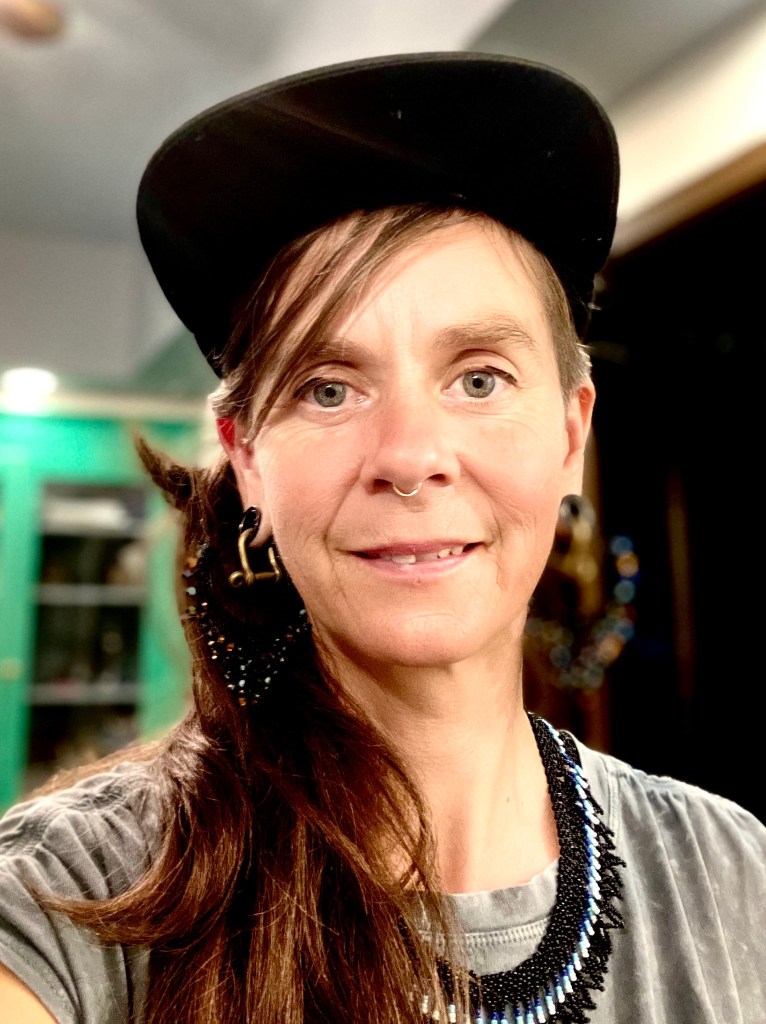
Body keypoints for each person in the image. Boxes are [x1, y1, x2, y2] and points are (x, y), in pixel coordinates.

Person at [0, 53, 763, 1024]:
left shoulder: (736, 873)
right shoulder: (70, 900)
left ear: (571, 434)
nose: (409, 457)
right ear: (246, 459)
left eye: (478, 378)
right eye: (328, 388)